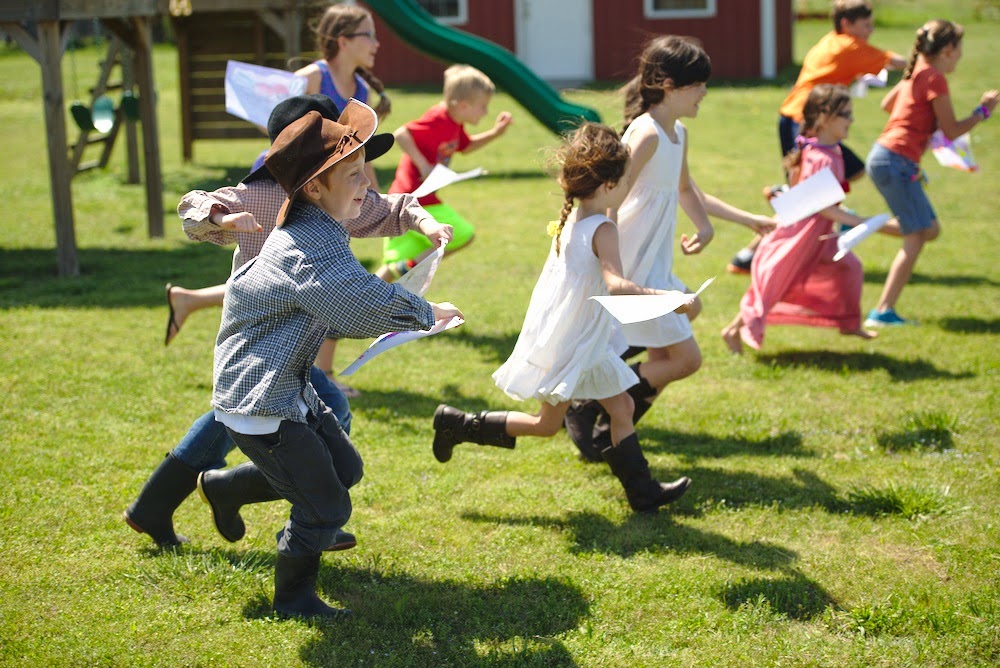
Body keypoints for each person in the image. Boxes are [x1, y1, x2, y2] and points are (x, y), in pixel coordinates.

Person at [125, 94, 453, 550]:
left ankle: (168, 503)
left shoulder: (336, 195)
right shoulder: (264, 194)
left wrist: (425, 222)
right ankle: (301, 513)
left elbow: (391, 207)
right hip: (262, 338)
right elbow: (193, 207)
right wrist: (222, 216)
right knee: (315, 413)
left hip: (289, 342)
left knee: (236, 420)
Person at [211, 100, 463, 618]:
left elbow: (358, 281)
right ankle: (294, 601)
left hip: (287, 387)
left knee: (345, 468)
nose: (366, 183)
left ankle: (225, 488)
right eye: (353, 175)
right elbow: (353, 303)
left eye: (364, 171)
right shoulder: (306, 245)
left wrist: (418, 230)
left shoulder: (320, 224)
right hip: (260, 399)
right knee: (328, 506)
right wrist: (425, 311)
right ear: (314, 189)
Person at [431, 122, 691, 513]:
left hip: (577, 340)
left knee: (599, 412)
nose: (628, 188)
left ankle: (643, 493)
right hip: (579, 346)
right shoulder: (603, 228)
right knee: (558, 422)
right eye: (626, 182)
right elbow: (618, 286)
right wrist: (668, 299)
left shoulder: (571, 219)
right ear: (608, 186)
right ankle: (459, 425)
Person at [564, 36, 769, 462]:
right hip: (634, 265)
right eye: (698, 85)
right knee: (686, 358)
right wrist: (611, 261)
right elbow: (611, 193)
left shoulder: (678, 134)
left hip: (654, 260)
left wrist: (714, 224)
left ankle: (609, 427)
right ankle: (593, 401)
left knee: (671, 343)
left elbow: (686, 189)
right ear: (669, 86)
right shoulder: (646, 133)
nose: (705, 92)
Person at [726, 0, 906, 275]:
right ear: (846, 24)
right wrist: (924, 61)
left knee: (845, 175)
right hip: (806, 122)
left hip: (796, 116)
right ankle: (751, 254)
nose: (870, 31)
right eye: (866, 25)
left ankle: (762, 241)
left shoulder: (829, 40)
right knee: (806, 198)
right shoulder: (849, 45)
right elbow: (894, 62)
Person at [720, 84, 879, 354]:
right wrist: (865, 221)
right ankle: (733, 331)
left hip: (820, 234)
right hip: (800, 236)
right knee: (774, 287)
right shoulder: (820, 157)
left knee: (849, 268)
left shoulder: (829, 151)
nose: (851, 120)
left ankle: (849, 322)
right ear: (825, 118)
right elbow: (822, 207)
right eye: (846, 115)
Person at [864, 19, 997, 326]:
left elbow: (887, 104)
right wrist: (983, 111)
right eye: (959, 49)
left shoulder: (917, 72)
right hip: (896, 160)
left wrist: (922, 120)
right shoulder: (934, 77)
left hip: (887, 157)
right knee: (917, 235)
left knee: (930, 229)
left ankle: (856, 224)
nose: (961, 56)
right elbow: (952, 130)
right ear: (948, 49)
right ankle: (882, 311)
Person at [373, 64, 513, 281]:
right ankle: (412, 267)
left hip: (408, 199)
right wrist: (423, 165)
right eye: (483, 106)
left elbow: (466, 146)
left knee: (392, 268)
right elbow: (401, 134)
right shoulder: (438, 118)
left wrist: (495, 133)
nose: (486, 112)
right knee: (461, 235)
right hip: (415, 198)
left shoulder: (455, 122)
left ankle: (362, 295)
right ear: (464, 105)